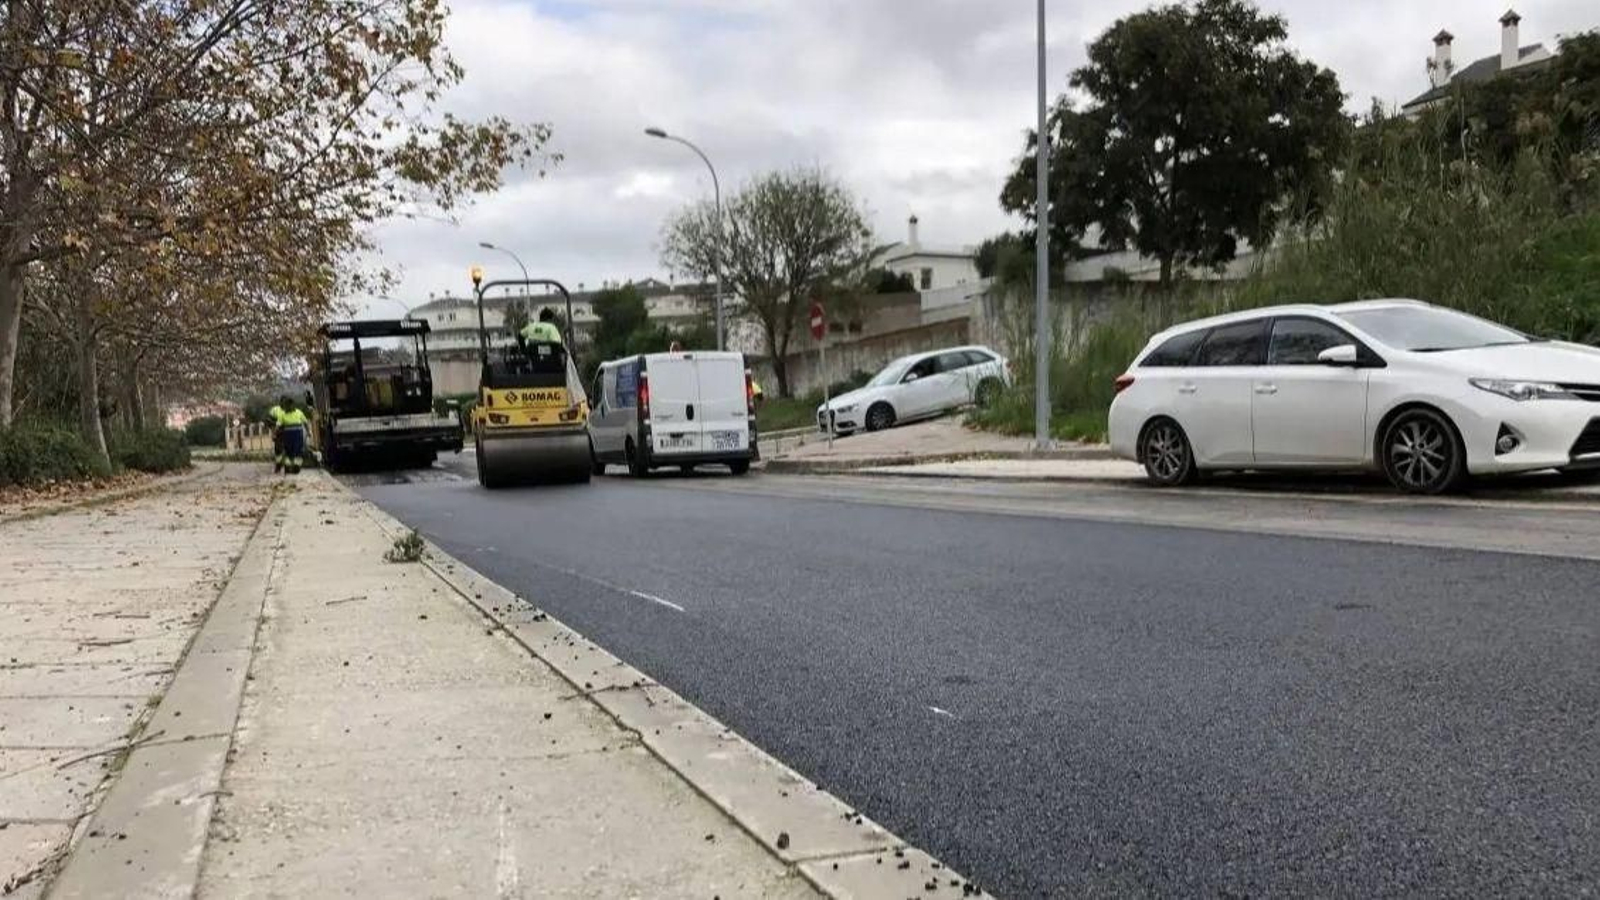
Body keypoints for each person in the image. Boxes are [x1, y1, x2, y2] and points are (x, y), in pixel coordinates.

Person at [276, 397, 310, 475]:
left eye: (290, 405)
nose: (289, 407)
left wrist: (309, 431)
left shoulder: (299, 412)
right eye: (287, 405)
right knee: (289, 451)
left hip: (297, 435)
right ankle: (288, 467)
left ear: (293, 405)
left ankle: (296, 466)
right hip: (288, 435)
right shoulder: (282, 414)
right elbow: (278, 426)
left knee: (298, 450)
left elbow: (305, 422)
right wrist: (275, 434)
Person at [267, 395, 289, 474]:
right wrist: (273, 431)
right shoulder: (275, 410)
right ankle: (278, 466)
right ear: (280, 402)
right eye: (283, 402)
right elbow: (268, 420)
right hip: (278, 432)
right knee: (278, 450)